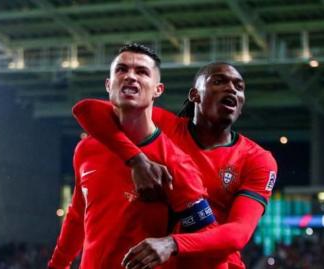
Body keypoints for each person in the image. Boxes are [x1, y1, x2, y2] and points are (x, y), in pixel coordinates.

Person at [72, 62, 278, 269]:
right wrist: (137, 160)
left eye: (239, 86)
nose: (232, 88)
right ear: (195, 95)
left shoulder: (257, 159)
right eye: (218, 81)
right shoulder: (163, 127)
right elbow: (87, 109)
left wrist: (172, 243)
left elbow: (238, 233)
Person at [48, 44, 227, 269]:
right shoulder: (87, 148)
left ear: (157, 90)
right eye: (121, 70)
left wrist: (171, 244)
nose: (130, 76)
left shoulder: (176, 164)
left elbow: (212, 242)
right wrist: (57, 265)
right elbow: (77, 215)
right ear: (108, 84)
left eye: (142, 72)